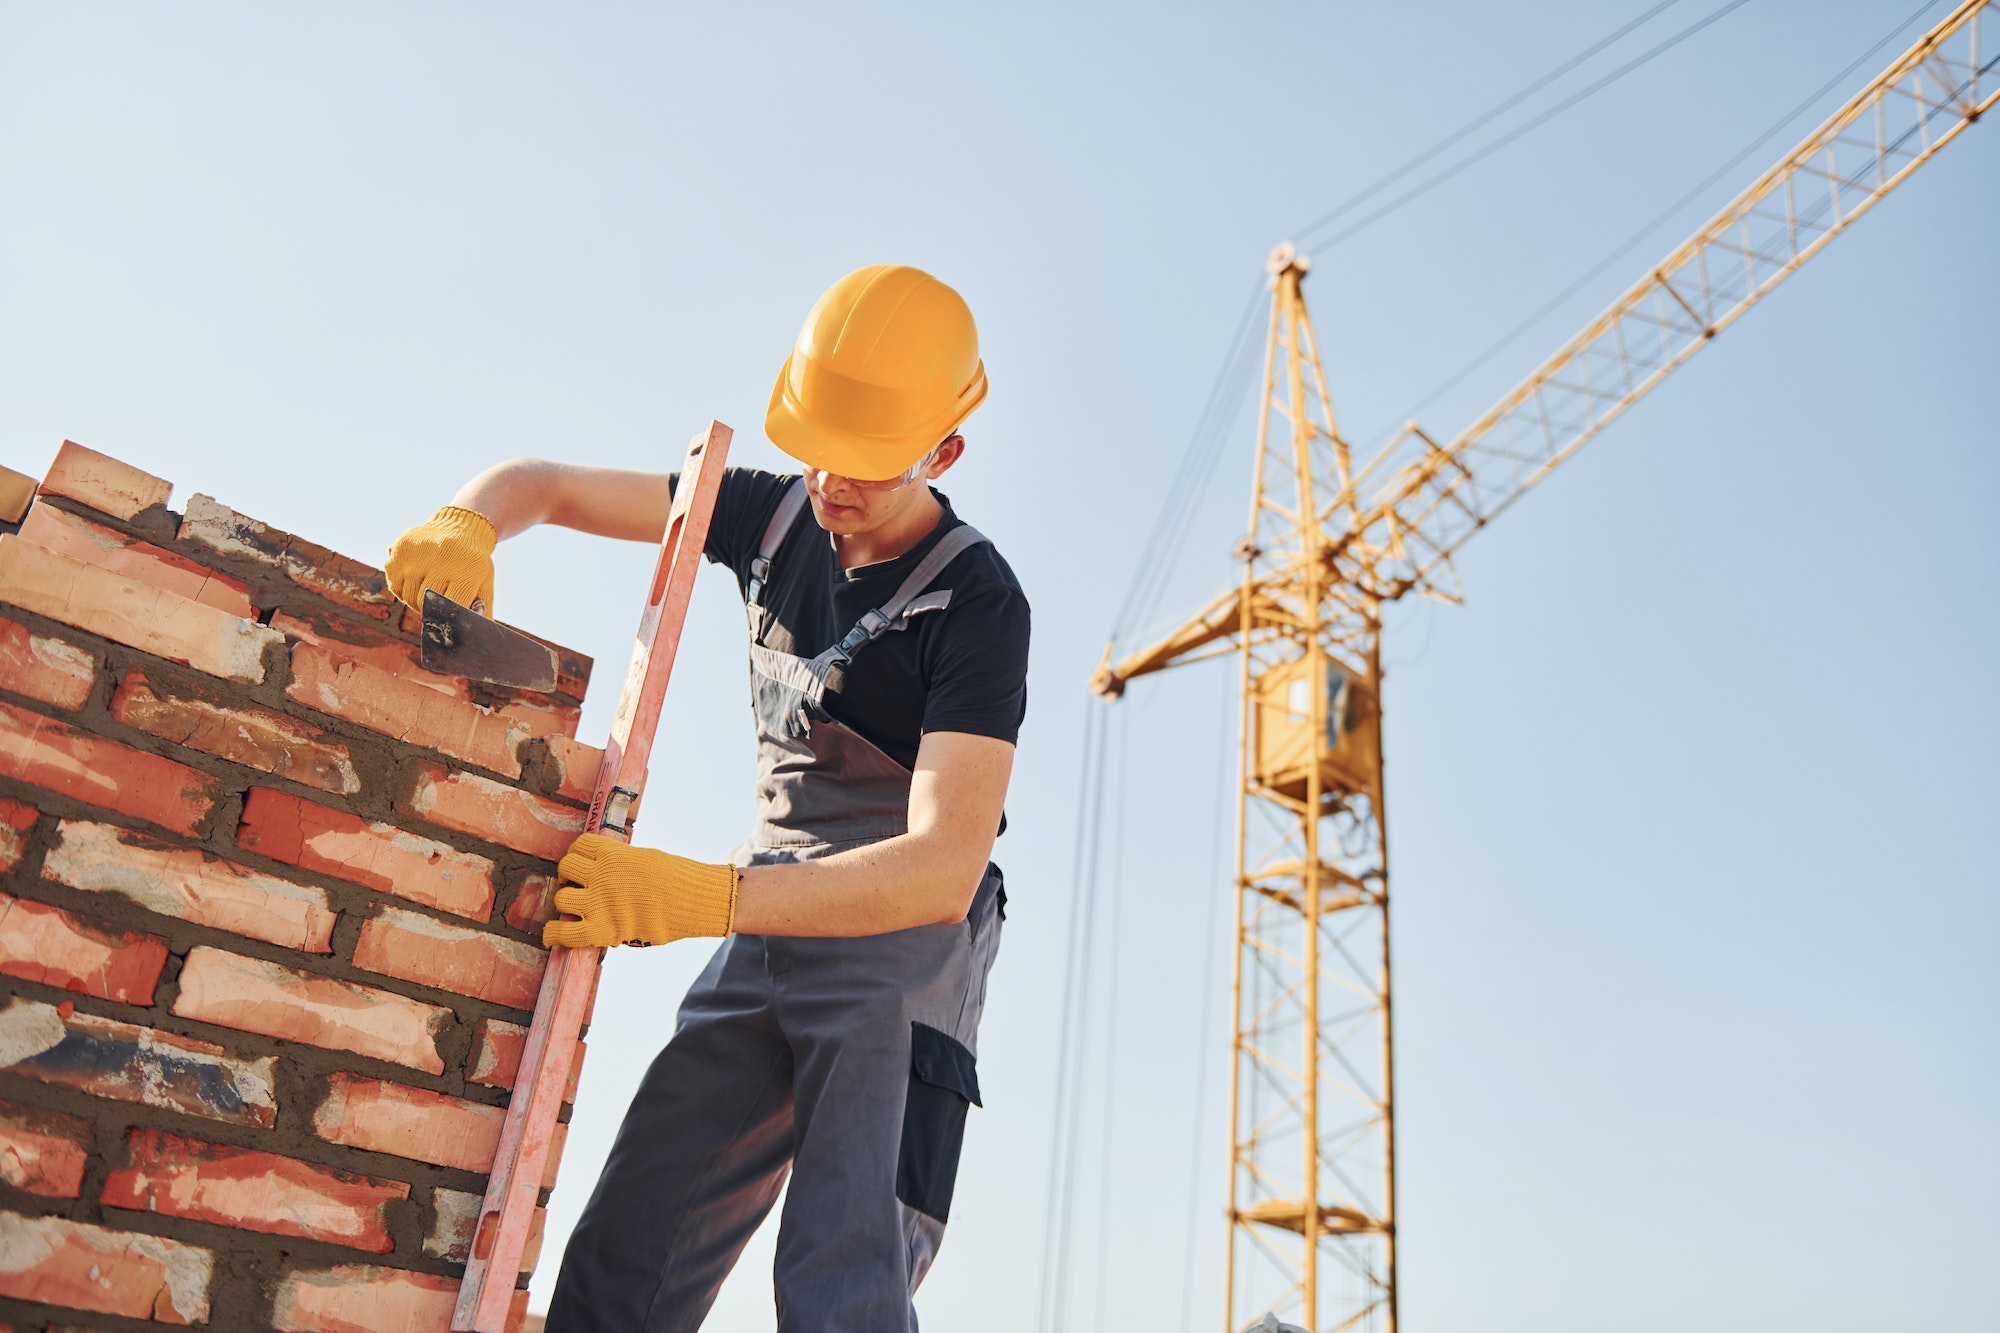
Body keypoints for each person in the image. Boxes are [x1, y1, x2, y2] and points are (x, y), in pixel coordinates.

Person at [383, 264, 1029, 1332]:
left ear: (943, 452)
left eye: (869, 464)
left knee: (840, 1285)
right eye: (821, 448)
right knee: (623, 1263)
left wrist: (701, 900)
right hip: (763, 915)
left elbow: (941, 863)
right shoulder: (765, 517)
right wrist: (471, 517)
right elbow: (544, 481)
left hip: (896, 953)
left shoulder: (977, 599)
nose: (834, 484)